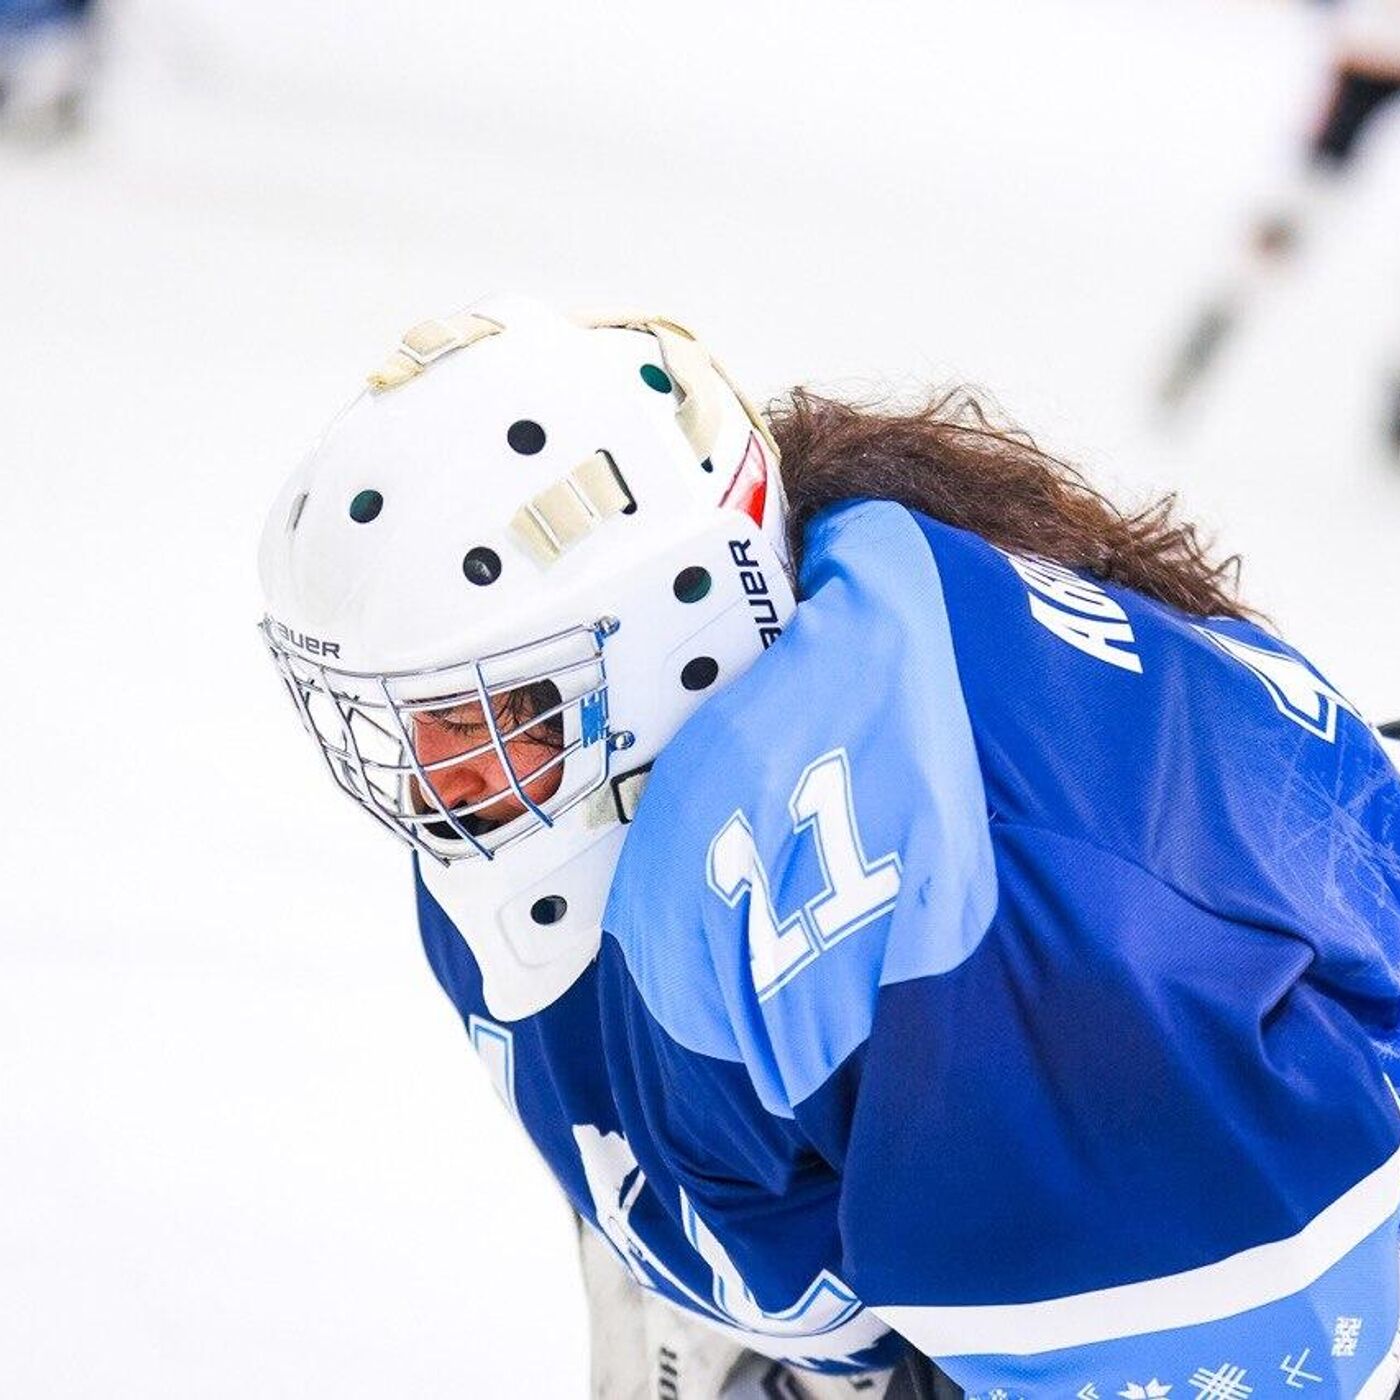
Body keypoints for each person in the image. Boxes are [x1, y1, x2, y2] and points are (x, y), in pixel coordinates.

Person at [258, 297, 1400, 1398]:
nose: (431, 785)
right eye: (406, 722)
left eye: (476, 712)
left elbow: (1292, 1333)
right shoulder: (710, 756)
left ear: (679, 618)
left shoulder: (978, 937)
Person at [1158, 0, 1400, 444]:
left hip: (1368, 54)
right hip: (1367, 61)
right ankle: (1221, 315)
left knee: (1297, 209)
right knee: (1295, 213)